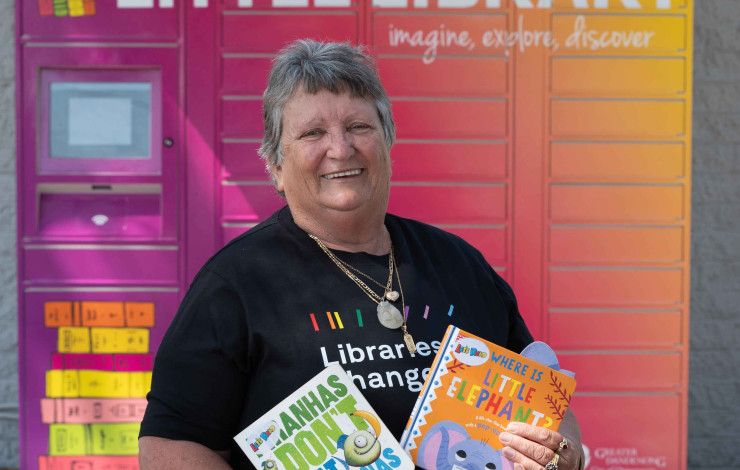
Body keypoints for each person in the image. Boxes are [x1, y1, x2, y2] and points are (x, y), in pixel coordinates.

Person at [138, 39, 584, 470]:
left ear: (387, 142)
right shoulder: (235, 284)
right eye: (313, 133)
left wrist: (561, 454)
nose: (340, 148)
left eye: (358, 127)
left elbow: (545, 402)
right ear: (276, 166)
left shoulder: (458, 264)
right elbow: (169, 446)